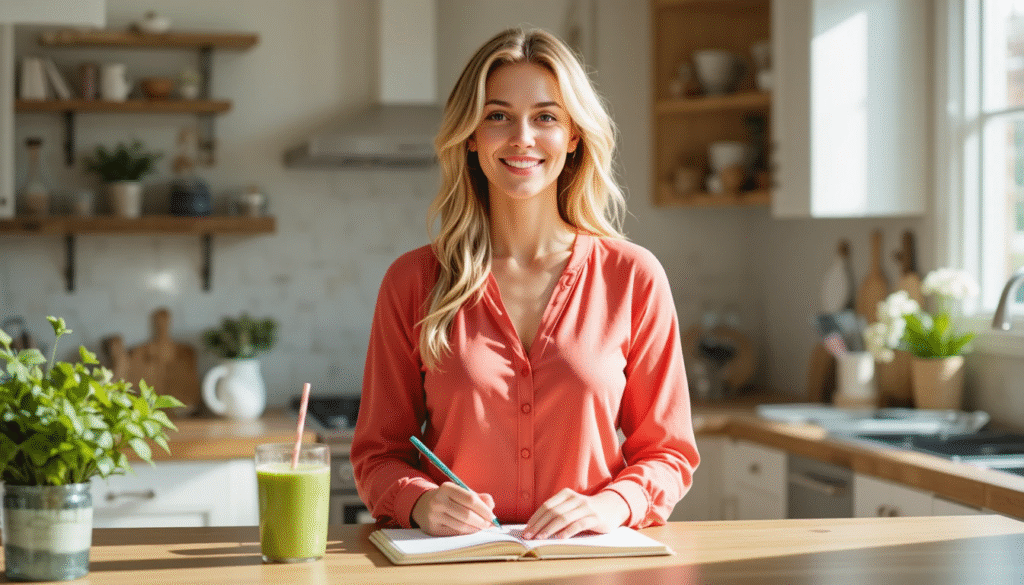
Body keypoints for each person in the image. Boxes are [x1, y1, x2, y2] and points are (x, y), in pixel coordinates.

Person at [351, 27, 698, 540]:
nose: (522, 137)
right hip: (456, 567)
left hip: (590, 566)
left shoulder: (632, 277)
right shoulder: (413, 282)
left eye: (546, 117)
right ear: (471, 135)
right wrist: (420, 501)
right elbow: (378, 454)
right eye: (498, 116)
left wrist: (611, 505)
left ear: (573, 135)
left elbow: (668, 452)